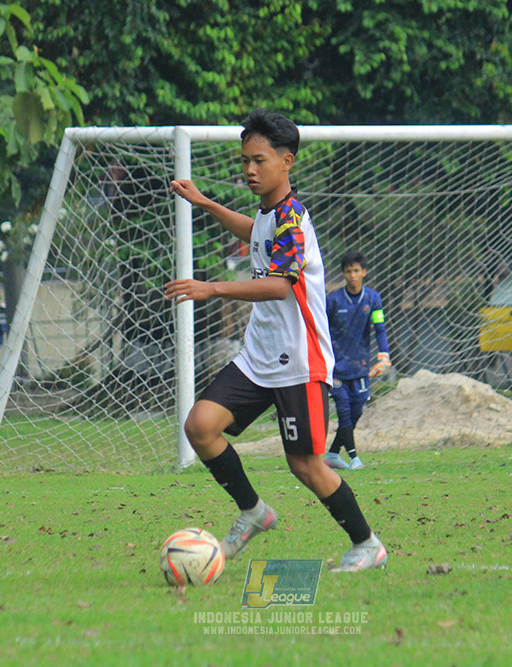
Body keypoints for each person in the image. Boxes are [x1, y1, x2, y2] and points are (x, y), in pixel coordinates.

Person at [164, 109, 387, 571]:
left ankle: (367, 543)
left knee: (305, 465)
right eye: (245, 159)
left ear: (287, 161)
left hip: (300, 362)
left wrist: (212, 287)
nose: (249, 169)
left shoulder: (291, 219)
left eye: (259, 160)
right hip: (259, 356)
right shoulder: (269, 214)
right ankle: (253, 512)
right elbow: (254, 233)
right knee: (200, 427)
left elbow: (281, 285)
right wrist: (206, 204)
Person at [324, 250, 391, 470]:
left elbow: (379, 327)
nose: (352, 275)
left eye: (356, 271)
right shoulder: (332, 300)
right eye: (348, 271)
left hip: (360, 366)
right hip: (335, 368)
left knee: (356, 411)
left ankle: (333, 454)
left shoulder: (373, 298)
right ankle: (354, 458)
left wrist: (384, 354)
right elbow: (320, 330)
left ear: (364, 272)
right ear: (343, 274)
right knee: (343, 409)